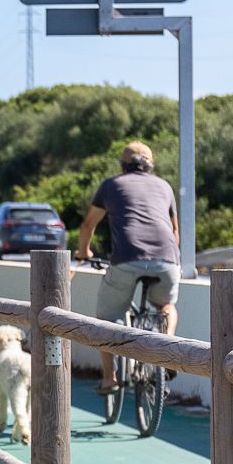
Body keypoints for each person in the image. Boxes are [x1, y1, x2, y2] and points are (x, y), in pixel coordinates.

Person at [75, 141, 180, 393]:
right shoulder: (164, 186)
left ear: (123, 165)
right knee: (166, 306)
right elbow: (175, 230)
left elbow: (88, 225)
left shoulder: (111, 185)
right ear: (151, 165)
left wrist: (84, 252)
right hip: (167, 258)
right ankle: (167, 344)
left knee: (106, 320)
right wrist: (169, 255)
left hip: (127, 257)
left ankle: (110, 378)